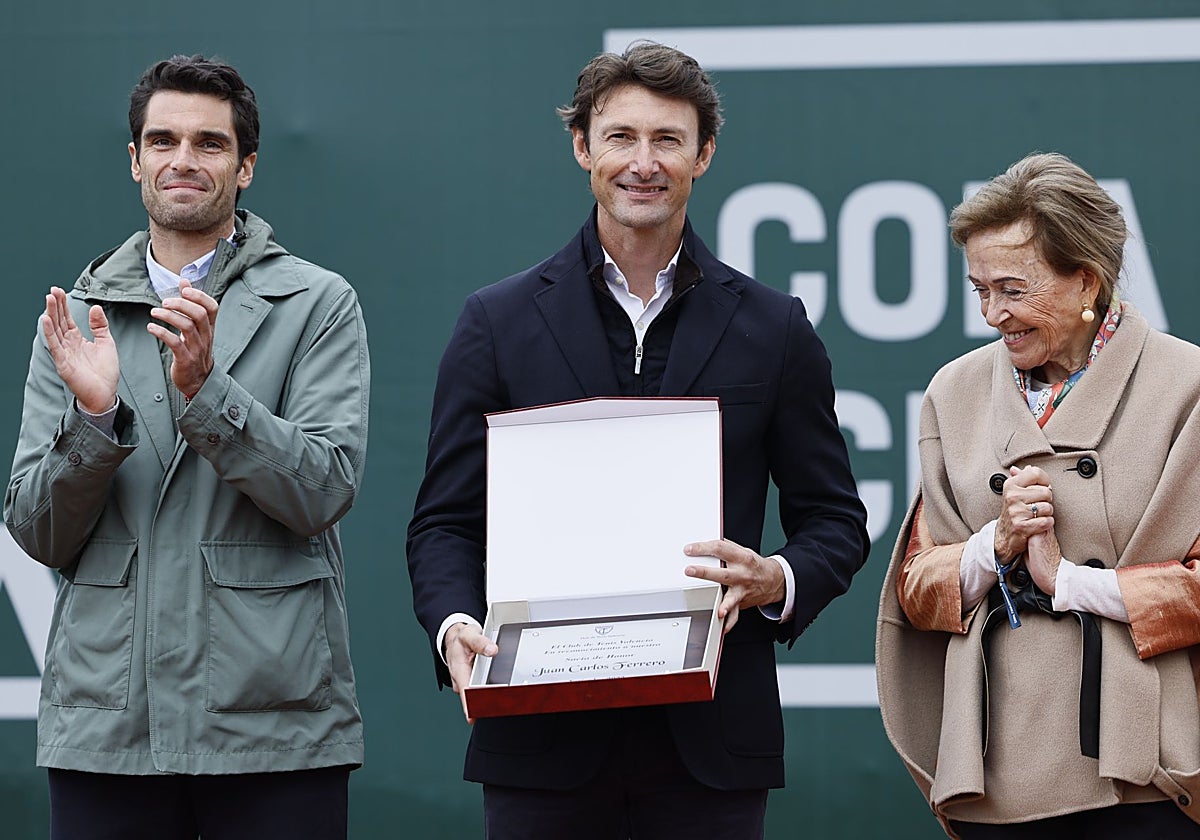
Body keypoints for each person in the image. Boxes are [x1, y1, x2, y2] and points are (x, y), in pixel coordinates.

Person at [406, 41, 869, 839]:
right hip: (539, 743)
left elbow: (835, 520)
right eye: (621, 137)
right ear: (583, 147)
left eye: (668, 140)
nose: (643, 163)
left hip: (712, 748)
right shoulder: (498, 321)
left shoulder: (774, 328)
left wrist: (776, 579)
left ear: (704, 154)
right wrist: (454, 628)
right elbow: (444, 522)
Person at [4, 55, 369, 840]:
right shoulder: (76, 313)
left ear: (245, 167)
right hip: (109, 729)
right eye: (162, 140)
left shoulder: (317, 302)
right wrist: (96, 424)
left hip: (274, 726)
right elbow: (38, 530)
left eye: (210, 143)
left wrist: (208, 393)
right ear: (135, 159)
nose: (183, 160)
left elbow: (325, 489)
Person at [876, 152, 1200, 838]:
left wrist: (1069, 581)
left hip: (1143, 774)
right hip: (997, 771)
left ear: (1085, 279)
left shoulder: (1187, 388)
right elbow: (916, 583)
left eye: (1013, 290)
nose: (994, 314)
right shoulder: (953, 392)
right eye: (979, 290)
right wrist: (993, 546)